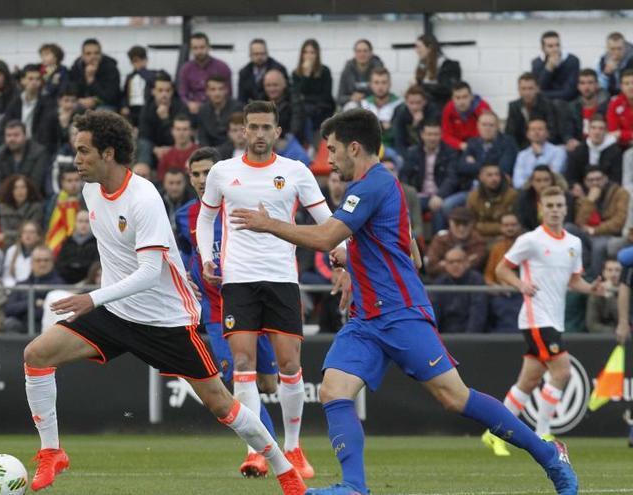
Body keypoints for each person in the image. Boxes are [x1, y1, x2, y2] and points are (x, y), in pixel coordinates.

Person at [230, 108, 579, 495]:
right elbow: (409, 252)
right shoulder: (383, 185)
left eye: (332, 150)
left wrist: (269, 224)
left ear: (354, 147)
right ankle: (354, 487)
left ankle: (550, 454)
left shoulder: (370, 186)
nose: (328, 160)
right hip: (366, 319)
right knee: (333, 390)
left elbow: (327, 237)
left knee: (454, 397)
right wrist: (356, 260)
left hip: (400, 313)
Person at [22, 110, 307, 494]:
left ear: (108, 153)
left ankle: (285, 469)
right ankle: (51, 451)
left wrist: (92, 297)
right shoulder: (90, 190)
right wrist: (99, 300)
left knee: (222, 405)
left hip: (166, 320)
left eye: (83, 151)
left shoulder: (144, 197)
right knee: (37, 355)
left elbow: (149, 272)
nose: (76, 160)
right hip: (116, 312)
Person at [197, 101, 331, 479]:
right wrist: (209, 257)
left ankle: (293, 447)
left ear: (276, 131)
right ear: (242, 131)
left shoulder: (295, 171)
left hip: (282, 279)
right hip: (238, 280)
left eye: (265, 127)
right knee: (243, 365)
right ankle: (256, 450)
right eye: (252, 127)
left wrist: (341, 260)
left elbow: (327, 222)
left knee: (289, 365)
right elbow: (206, 219)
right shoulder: (223, 172)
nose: (258, 134)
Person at [174, 145, 282, 458]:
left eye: (207, 172)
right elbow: (180, 250)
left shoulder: (242, 204)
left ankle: (266, 447)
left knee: (269, 384)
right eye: (195, 174)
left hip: (254, 304)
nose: (201, 179)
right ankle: (263, 452)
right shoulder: (185, 216)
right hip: (218, 312)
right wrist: (187, 276)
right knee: (237, 376)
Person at [492, 185, 603, 452]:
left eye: (559, 205)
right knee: (562, 371)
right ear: (542, 208)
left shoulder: (573, 244)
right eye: (550, 206)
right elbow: (501, 269)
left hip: (555, 319)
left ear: (566, 208)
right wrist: (520, 285)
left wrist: (590, 288)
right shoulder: (531, 240)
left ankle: (494, 433)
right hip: (535, 318)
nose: (554, 210)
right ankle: (543, 433)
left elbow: (574, 280)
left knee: (528, 381)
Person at [399, 120, 460, 232]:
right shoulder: (413, 152)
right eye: (429, 134)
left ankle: (437, 240)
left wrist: (440, 195)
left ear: (441, 135)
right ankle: (413, 240)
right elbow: (404, 175)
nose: (432, 138)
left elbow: (452, 178)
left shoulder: (450, 153)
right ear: (422, 135)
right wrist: (410, 194)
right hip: (419, 195)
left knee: (439, 207)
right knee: (409, 204)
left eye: (436, 134)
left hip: (440, 195)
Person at [574, 168, 629, 276]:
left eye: (598, 179)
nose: (595, 183)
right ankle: (579, 273)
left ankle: (595, 279)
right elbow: (579, 222)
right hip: (588, 233)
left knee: (599, 245)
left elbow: (619, 222)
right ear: (585, 182)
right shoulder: (584, 195)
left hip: (609, 234)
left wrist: (595, 230)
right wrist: (589, 201)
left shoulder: (620, 193)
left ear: (605, 178)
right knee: (570, 228)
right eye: (591, 180)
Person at [3, 245, 65, 333]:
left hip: (46, 329)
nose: (42, 264)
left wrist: (24, 309)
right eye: (38, 260)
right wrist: (33, 302)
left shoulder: (59, 285)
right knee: (10, 323)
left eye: (46, 260)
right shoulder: (21, 284)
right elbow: (8, 309)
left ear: (52, 262)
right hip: (21, 327)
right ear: (31, 263)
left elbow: (54, 312)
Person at [431, 247, 488, 333]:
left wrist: (468, 340)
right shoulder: (439, 283)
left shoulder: (477, 280)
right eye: (451, 262)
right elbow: (434, 314)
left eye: (459, 261)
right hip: (444, 335)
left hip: (471, 336)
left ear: (467, 263)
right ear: (445, 265)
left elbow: (478, 314)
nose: (455, 265)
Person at [484, 213, 525, 333]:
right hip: (501, 295)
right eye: (506, 225)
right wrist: (496, 287)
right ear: (501, 228)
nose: (510, 228)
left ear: (519, 226)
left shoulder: (527, 246)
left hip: (524, 294)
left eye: (513, 225)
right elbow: (488, 275)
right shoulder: (497, 248)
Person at [291, 39, 335, 146]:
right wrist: (306, 75)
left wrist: (307, 98)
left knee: (313, 114)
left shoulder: (324, 71)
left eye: (312, 52)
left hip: (322, 107)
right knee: (302, 113)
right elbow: (296, 94)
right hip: (305, 109)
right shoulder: (296, 73)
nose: (309, 56)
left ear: (317, 55)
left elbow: (326, 95)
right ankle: (307, 145)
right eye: (306, 52)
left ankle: (314, 146)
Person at [0, 120, 50, 198]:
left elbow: (36, 182)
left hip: (31, 197)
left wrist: (19, 194)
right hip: (6, 197)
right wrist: (7, 196)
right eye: (8, 135)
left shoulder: (39, 153)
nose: (12, 139)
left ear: (25, 136)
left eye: (16, 135)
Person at [137, 71, 186, 166]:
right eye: (160, 90)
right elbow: (144, 135)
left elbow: (180, 137)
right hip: (153, 148)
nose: (164, 94)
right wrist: (154, 148)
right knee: (143, 145)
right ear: (153, 91)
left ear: (172, 91)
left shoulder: (180, 107)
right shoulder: (147, 108)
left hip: (175, 146)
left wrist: (165, 119)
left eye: (167, 91)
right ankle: (143, 173)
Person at [178, 32, 233, 115]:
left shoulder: (222, 67)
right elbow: (182, 94)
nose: (199, 51)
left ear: (208, 47)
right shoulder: (186, 69)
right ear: (191, 49)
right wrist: (189, 103)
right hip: (194, 110)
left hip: (217, 109)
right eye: (195, 48)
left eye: (202, 47)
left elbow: (228, 93)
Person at [506, 73, 565, 149]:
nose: (527, 93)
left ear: (537, 89)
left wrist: (539, 145)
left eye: (530, 88)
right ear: (519, 90)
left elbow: (552, 132)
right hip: (521, 148)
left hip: (545, 146)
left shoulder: (547, 105)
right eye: (523, 89)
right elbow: (510, 133)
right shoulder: (513, 106)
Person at [425, 207, 488, 278]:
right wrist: (465, 262)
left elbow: (478, 263)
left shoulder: (478, 241)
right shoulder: (440, 240)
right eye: (457, 223)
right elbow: (431, 266)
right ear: (450, 222)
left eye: (465, 224)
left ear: (472, 224)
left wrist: (446, 263)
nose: (461, 228)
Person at [565, 114, 622, 189]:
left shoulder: (615, 151)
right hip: (583, 190)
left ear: (606, 131)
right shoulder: (579, 150)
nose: (597, 132)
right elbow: (571, 177)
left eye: (601, 128)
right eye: (593, 128)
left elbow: (616, 179)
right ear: (588, 130)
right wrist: (576, 186)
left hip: (606, 190)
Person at [2, 65, 52, 150]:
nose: (34, 82)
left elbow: (45, 132)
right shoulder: (14, 102)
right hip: (14, 143)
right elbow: (6, 125)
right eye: (30, 79)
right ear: (22, 80)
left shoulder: (47, 103)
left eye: (37, 79)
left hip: (36, 146)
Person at [515, 165, 576, 231]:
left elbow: (567, 220)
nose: (542, 184)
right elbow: (522, 223)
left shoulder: (564, 197)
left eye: (546, 180)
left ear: (552, 181)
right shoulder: (524, 198)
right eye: (538, 180)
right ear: (532, 182)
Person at [466, 163, 519, 240]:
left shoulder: (512, 195)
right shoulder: (473, 197)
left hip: (506, 237)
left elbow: (513, 225)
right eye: (489, 175)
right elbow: (470, 223)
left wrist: (482, 226)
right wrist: (499, 227)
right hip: (480, 238)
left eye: (497, 175)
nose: (494, 178)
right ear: (481, 177)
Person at [458, 111, 517, 176]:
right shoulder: (472, 142)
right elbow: (461, 167)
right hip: (472, 183)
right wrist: (492, 166)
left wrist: (475, 164)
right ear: (478, 126)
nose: (487, 128)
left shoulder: (508, 142)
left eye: (491, 125)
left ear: (497, 127)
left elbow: (504, 169)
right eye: (484, 125)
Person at [512, 118, 567, 189]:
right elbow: (517, 181)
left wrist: (540, 155)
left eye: (540, 129)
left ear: (547, 133)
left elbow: (552, 175)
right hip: (527, 191)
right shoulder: (522, 155)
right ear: (527, 134)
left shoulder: (558, 151)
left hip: (551, 190)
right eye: (533, 129)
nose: (536, 132)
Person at [68, 38, 121, 111]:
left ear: (101, 54)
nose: (93, 56)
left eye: (96, 53)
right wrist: (79, 99)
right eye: (88, 54)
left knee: (101, 113)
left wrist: (91, 80)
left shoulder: (111, 69)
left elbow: (111, 96)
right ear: (83, 56)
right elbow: (71, 90)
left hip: (105, 104)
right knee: (69, 108)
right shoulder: (76, 68)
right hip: (82, 102)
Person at [442, 81, 494, 152]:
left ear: (471, 97)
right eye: (458, 98)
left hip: (479, 145)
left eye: (465, 97)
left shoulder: (482, 107)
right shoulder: (448, 109)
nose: (461, 102)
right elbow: (446, 135)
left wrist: (473, 146)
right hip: (457, 147)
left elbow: (490, 130)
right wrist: (460, 145)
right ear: (453, 99)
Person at [564, 69, 609, 150]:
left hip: (602, 145)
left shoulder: (607, 106)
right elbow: (568, 131)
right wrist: (570, 140)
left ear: (597, 85)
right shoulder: (572, 107)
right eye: (582, 83)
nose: (586, 87)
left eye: (590, 83)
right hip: (580, 147)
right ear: (578, 86)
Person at [414, 34, 461, 108]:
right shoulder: (422, 65)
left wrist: (421, 86)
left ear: (429, 48)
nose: (416, 51)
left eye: (419, 47)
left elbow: (447, 89)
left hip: (440, 107)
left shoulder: (448, 66)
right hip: (425, 106)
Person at [357, 68, 401, 148]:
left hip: (392, 149)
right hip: (369, 149)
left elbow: (397, 133)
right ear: (371, 84)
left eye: (384, 82)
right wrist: (384, 127)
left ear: (390, 84)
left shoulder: (399, 104)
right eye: (376, 82)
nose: (380, 87)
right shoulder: (364, 104)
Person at [531, 31, 580, 102]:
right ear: (543, 48)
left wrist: (542, 94)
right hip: (545, 105)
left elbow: (569, 93)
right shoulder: (537, 63)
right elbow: (538, 89)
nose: (555, 49)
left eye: (557, 45)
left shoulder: (572, 61)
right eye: (550, 46)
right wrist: (548, 69)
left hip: (567, 104)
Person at [45, 165, 83, 253]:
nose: (73, 184)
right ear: (62, 182)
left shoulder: (86, 199)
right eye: (69, 181)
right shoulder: (54, 200)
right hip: (56, 243)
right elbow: (47, 222)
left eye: (76, 180)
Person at [198, 76, 245, 147]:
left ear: (226, 90)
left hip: (232, 149)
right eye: (213, 89)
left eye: (221, 89)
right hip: (210, 151)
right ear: (207, 91)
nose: (217, 93)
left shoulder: (237, 107)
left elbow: (237, 134)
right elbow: (202, 137)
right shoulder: (203, 110)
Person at [391, 85, 441, 153]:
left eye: (418, 103)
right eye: (411, 103)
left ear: (424, 102)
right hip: (406, 147)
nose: (415, 107)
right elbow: (398, 139)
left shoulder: (433, 111)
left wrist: (419, 124)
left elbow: (432, 138)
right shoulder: (400, 112)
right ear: (406, 102)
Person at [0, 175, 44, 247]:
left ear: (28, 189)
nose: (20, 191)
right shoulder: (3, 207)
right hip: (9, 245)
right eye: (16, 188)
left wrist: (7, 235)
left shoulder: (36, 208)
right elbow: (3, 230)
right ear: (10, 191)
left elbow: (32, 232)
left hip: (30, 244)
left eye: (23, 187)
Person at [337, 39, 384, 109]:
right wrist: (351, 98)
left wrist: (365, 97)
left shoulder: (378, 68)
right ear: (355, 53)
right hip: (352, 104)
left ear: (371, 53)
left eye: (365, 51)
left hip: (373, 104)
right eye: (359, 51)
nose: (362, 54)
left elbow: (383, 93)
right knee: (351, 106)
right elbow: (339, 98)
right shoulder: (347, 70)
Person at [55, 209, 98, 284]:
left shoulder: (97, 243)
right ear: (75, 223)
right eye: (80, 221)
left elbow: (95, 267)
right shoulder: (67, 242)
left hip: (88, 284)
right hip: (65, 282)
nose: (83, 225)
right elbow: (60, 264)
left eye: (87, 221)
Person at [238, 39, 287, 104]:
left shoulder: (279, 69)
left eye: (262, 53)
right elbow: (242, 98)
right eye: (256, 54)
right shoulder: (244, 73)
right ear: (250, 55)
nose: (259, 57)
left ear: (267, 53)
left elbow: (286, 93)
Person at [157, 115, 199, 181]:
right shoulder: (166, 156)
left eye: (185, 129)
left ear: (191, 131)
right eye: (178, 129)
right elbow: (161, 181)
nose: (181, 133)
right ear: (172, 131)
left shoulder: (199, 153)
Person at [2, 220, 43, 288]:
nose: (28, 235)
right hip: (14, 290)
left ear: (38, 236)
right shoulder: (11, 251)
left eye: (32, 232)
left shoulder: (43, 253)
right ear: (21, 236)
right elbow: (6, 276)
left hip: (34, 290)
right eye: (25, 232)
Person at [121, 45, 156, 125]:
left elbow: (153, 83)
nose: (139, 63)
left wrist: (142, 71)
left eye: (141, 60)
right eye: (135, 61)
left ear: (146, 60)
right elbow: (124, 94)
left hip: (146, 107)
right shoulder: (130, 77)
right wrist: (124, 106)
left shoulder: (153, 74)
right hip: (132, 108)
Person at [586, 259, 621, 333]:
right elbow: (592, 325)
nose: (613, 274)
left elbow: (622, 319)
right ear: (603, 272)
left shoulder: (628, 293)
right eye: (609, 270)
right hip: (603, 338)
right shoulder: (597, 293)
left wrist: (610, 295)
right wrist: (615, 332)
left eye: (617, 270)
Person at [597, 32, 633, 96]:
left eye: (619, 48)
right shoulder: (603, 60)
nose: (616, 52)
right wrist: (606, 74)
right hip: (611, 95)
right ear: (607, 48)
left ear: (625, 47)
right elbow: (600, 86)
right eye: (612, 49)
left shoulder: (631, 58)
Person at [606, 69, 633, 149]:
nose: (630, 86)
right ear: (621, 86)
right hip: (622, 146)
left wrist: (621, 134)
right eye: (626, 83)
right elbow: (613, 132)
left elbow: (618, 133)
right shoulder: (615, 103)